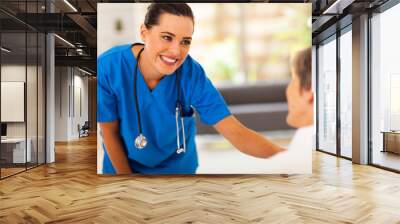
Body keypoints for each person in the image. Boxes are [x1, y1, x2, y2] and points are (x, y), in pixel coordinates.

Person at [97, 3, 285, 174]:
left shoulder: (192, 74)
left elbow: (236, 133)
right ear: (144, 33)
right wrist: (127, 182)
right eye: (166, 37)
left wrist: (288, 158)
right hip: (123, 167)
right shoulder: (109, 67)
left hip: (178, 172)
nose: (176, 51)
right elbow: (109, 132)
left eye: (185, 41)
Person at [281, 47, 313, 174]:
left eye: (294, 79)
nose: (288, 89)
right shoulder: (305, 135)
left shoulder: (306, 137)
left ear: (310, 90)